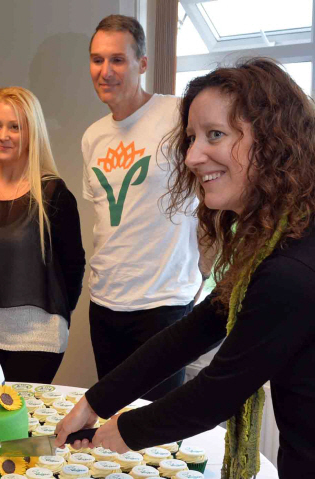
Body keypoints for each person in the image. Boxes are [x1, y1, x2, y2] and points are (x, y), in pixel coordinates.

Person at [56, 58, 315, 479]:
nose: (191, 156)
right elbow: (195, 329)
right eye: (191, 138)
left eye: (215, 135)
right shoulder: (287, 241)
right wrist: (94, 402)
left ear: (273, 143)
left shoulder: (301, 265)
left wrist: (116, 431)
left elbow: (215, 393)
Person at [82, 15, 213, 398]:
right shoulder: (93, 137)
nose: (105, 71)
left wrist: (202, 271)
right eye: (97, 59)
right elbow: (104, 219)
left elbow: (213, 196)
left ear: (142, 64)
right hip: (105, 302)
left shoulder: (176, 116)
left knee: (155, 430)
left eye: (118, 60)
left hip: (164, 303)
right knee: (112, 421)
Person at [0, 87, 85, 383]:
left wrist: (57, 317)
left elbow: (73, 266)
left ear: (32, 133)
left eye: (15, 127)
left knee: (20, 425)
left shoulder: (53, 194)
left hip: (38, 338)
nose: (3, 135)